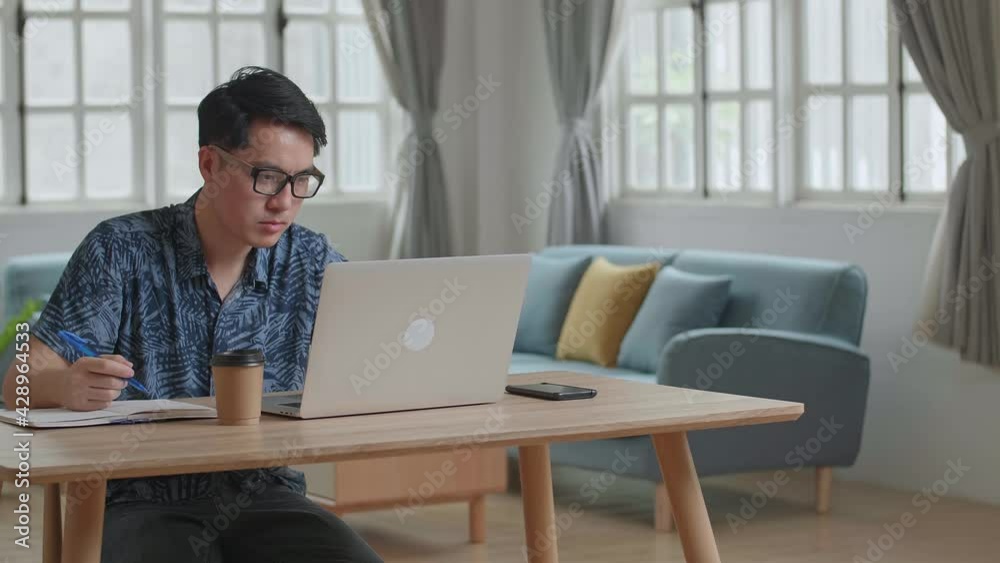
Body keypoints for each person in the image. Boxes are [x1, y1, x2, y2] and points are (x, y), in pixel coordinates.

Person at [2, 66, 383, 563]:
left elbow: (377, 353)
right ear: (210, 164)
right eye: (266, 177)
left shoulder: (311, 261)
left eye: (301, 180)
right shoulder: (120, 250)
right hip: (137, 501)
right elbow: (19, 381)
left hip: (266, 496)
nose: (284, 203)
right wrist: (66, 385)